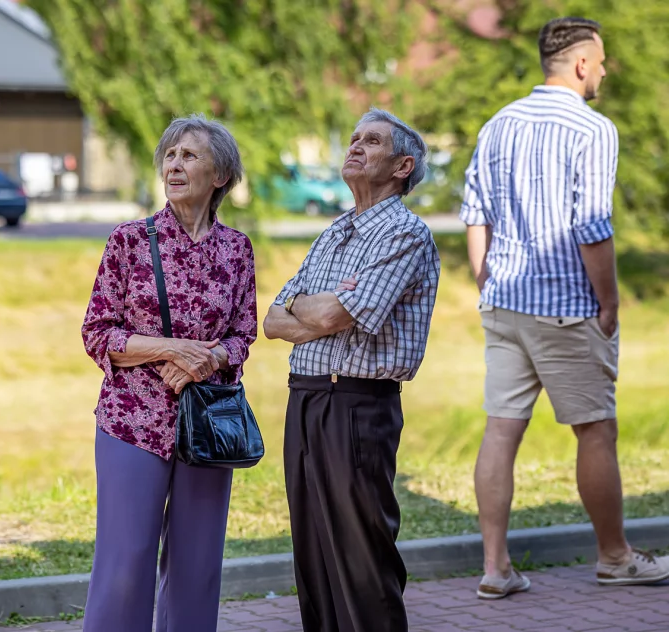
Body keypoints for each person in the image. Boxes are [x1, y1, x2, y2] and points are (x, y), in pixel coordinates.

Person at [460, 16, 669, 600]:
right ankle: (615, 557)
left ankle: (495, 568)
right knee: (596, 430)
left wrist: (486, 281)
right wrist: (610, 301)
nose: (604, 71)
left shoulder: (498, 123)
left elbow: (475, 214)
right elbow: (592, 226)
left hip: (504, 305)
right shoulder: (593, 128)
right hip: (567, 308)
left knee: (501, 430)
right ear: (580, 63)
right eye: (600, 61)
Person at [263, 107, 440, 632]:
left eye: (373, 141)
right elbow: (272, 321)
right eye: (354, 138)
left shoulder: (404, 234)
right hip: (305, 397)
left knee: (362, 556)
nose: (355, 147)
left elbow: (329, 315)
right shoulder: (334, 232)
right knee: (313, 551)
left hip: (358, 405)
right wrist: (315, 307)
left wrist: (313, 308)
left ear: (403, 166)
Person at [80, 114, 257, 632]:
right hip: (132, 423)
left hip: (209, 425)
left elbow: (242, 334)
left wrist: (209, 359)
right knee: (125, 563)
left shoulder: (237, 249)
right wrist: (173, 350)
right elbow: (98, 332)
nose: (174, 165)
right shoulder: (129, 241)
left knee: (196, 567)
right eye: (170, 156)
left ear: (220, 176)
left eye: (189, 155)